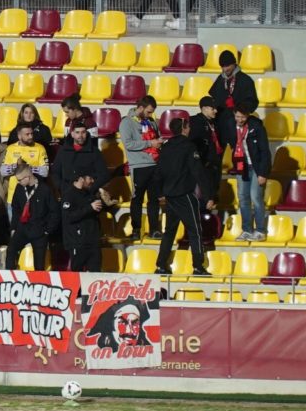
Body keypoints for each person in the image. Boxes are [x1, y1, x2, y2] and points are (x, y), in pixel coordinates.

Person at [153, 117, 210, 276]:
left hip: (169, 196)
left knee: (169, 231)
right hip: (184, 195)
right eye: (188, 126)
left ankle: (160, 265)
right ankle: (198, 266)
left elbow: (158, 172)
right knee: (195, 230)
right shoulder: (189, 146)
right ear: (184, 128)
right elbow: (197, 171)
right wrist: (208, 195)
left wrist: (159, 193)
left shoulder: (166, 147)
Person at [118, 95, 163, 240]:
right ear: (141, 108)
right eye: (148, 112)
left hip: (154, 164)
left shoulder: (151, 122)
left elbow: (157, 137)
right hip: (139, 166)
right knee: (137, 199)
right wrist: (150, 143)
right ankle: (136, 229)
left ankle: (154, 229)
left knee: (154, 199)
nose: (150, 115)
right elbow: (128, 144)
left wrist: (159, 142)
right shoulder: (127, 122)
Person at [5, 163, 59, 271]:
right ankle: (10, 275)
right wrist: (14, 228)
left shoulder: (44, 189)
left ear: (28, 177)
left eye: (20, 180)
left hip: (39, 231)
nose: (18, 182)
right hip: (22, 229)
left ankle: (39, 280)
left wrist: (47, 230)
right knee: (11, 250)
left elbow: (55, 211)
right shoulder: (19, 188)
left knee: (39, 265)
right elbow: (16, 209)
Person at [230, 105, 272, 242]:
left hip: (256, 167)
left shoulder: (257, 127)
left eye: (243, 117)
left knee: (255, 197)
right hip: (241, 167)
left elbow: (265, 151)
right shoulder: (231, 127)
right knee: (243, 198)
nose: (240, 119)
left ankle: (260, 230)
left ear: (247, 116)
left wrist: (263, 173)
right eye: (237, 116)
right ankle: (247, 230)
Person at [62, 168, 116, 273]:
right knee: (77, 275)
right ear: (81, 179)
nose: (92, 181)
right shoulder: (69, 195)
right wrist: (89, 208)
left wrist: (107, 203)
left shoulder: (88, 193)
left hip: (93, 241)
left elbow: (96, 210)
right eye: (90, 178)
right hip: (77, 243)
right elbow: (68, 217)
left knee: (95, 274)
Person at [207, 49, 258, 147]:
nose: (225, 69)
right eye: (223, 66)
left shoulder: (246, 80)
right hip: (221, 122)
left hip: (237, 123)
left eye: (227, 66)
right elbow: (214, 99)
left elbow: (252, 102)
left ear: (234, 64)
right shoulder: (220, 79)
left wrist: (238, 108)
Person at [52, 119, 110, 197]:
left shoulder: (94, 152)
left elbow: (104, 175)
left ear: (86, 133)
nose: (80, 136)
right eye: (77, 132)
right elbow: (55, 172)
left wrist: (90, 188)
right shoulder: (63, 151)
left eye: (83, 132)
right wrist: (63, 188)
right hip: (67, 194)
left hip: (88, 195)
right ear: (72, 134)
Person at [0, 122, 49, 210]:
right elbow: (2, 171)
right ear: (19, 136)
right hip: (13, 197)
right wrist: (16, 166)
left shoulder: (40, 148)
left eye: (31, 133)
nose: (31, 136)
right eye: (27, 134)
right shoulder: (10, 149)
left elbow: (45, 172)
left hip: (35, 196)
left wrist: (26, 167)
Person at [189, 96, 223, 212]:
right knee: (203, 201)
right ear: (204, 108)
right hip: (203, 166)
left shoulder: (213, 123)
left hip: (214, 165)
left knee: (212, 200)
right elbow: (194, 144)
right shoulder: (195, 122)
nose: (216, 111)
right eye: (213, 108)